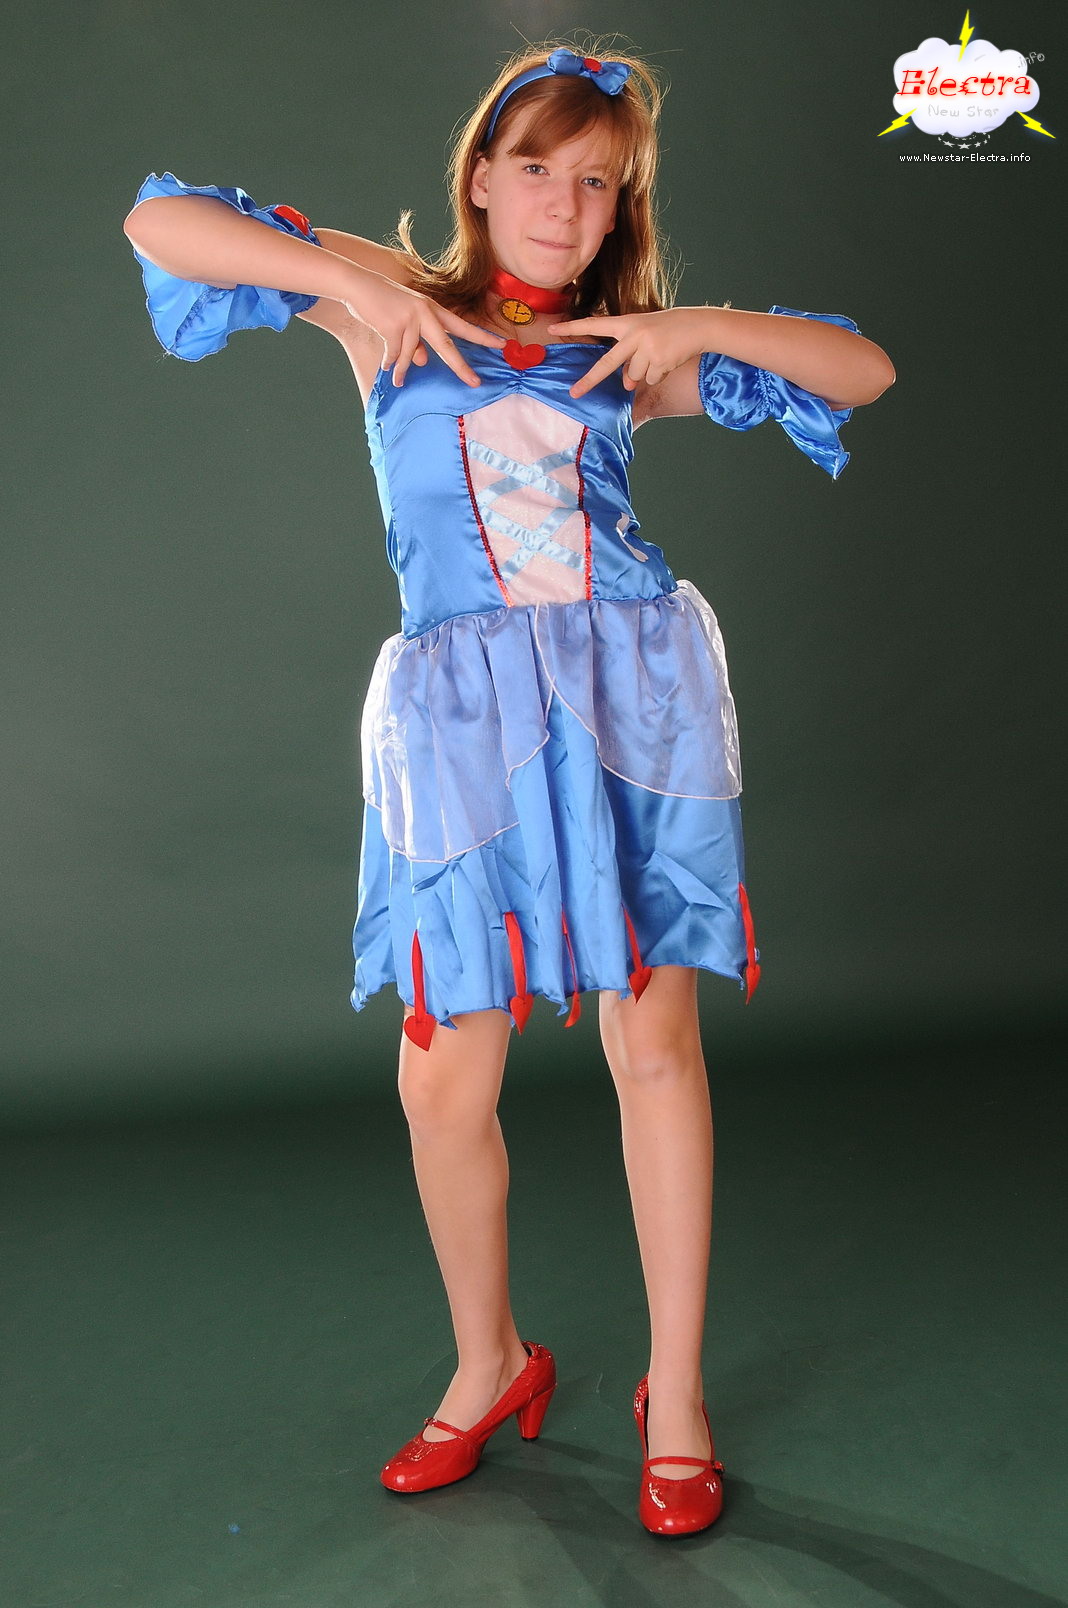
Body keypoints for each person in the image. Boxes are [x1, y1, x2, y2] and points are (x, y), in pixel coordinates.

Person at [123, 43, 894, 1538]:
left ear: (622, 208)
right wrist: (363, 288)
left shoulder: (627, 355)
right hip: (464, 725)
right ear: (480, 178)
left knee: (654, 1043)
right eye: (535, 167)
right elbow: (160, 224)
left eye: (597, 181)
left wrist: (689, 324)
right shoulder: (379, 306)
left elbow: (861, 371)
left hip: (631, 705)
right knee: (441, 1073)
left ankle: (677, 1392)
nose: (562, 202)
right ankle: (491, 1363)